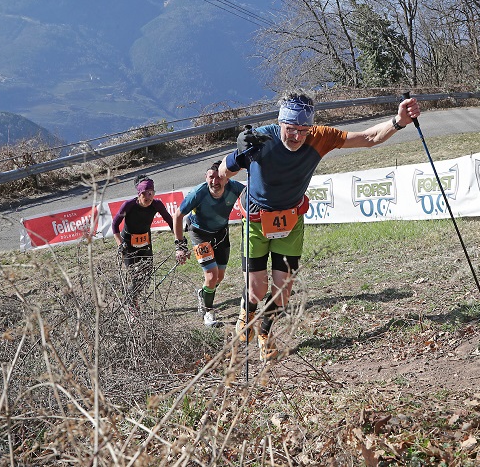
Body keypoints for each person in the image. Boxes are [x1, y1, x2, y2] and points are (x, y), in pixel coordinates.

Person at [220, 92, 420, 362]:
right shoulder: (262, 138)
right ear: (280, 123)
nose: (297, 137)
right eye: (291, 129)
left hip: (291, 219)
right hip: (256, 218)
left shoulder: (320, 136)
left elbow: (368, 138)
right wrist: (238, 155)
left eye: (304, 130)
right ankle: (248, 310)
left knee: (283, 292)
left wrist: (399, 121)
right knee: (256, 289)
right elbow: (223, 173)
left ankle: (265, 331)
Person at [173, 160, 245, 327]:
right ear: (206, 177)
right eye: (211, 177)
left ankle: (203, 293)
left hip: (221, 234)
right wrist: (180, 246)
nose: (215, 181)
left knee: (219, 277)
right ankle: (208, 312)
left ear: (226, 178)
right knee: (211, 276)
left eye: (219, 177)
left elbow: (251, 197)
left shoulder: (235, 187)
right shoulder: (198, 193)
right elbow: (177, 216)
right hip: (200, 234)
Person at [112, 175, 175, 311]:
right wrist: (120, 244)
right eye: (146, 196)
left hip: (145, 242)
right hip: (128, 245)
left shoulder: (156, 204)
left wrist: (178, 238)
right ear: (139, 194)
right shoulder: (129, 205)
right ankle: (132, 306)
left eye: (151, 195)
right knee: (135, 276)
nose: (149, 199)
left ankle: (131, 297)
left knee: (147, 274)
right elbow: (115, 224)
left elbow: (170, 220)